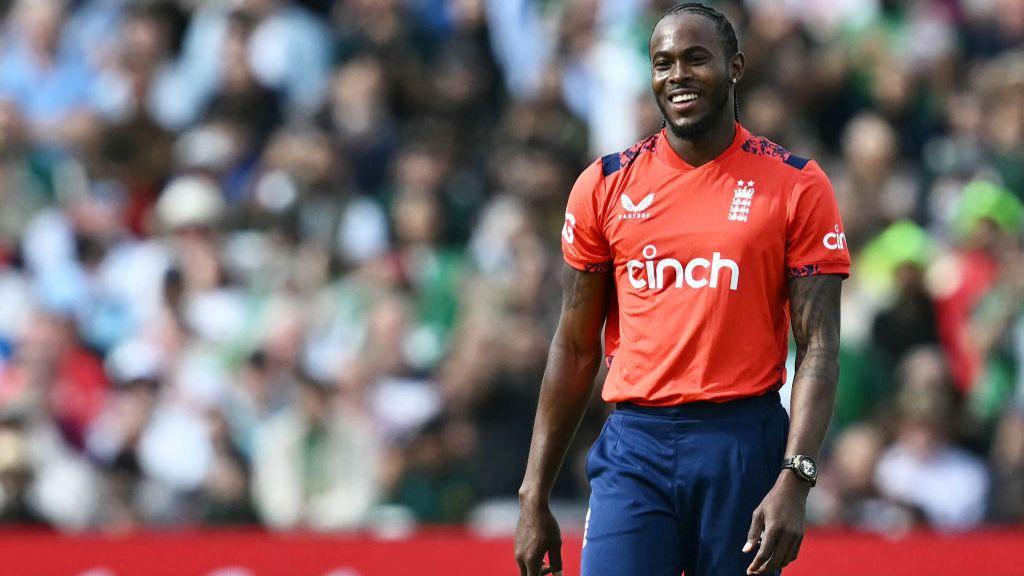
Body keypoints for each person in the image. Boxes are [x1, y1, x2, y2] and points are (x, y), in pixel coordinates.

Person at [513, 4, 850, 576]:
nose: (678, 75)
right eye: (663, 62)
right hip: (634, 445)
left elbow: (818, 344)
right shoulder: (605, 185)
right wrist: (533, 492)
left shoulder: (796, 185)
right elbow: (573, 346)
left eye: (697, 58)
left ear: (735, 67)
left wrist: (797, 476)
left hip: (741, 443)